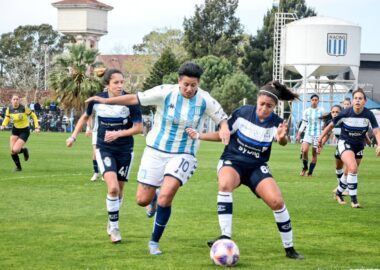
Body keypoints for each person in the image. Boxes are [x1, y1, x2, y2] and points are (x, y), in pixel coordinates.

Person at [85, 62, 230, 255]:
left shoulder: (205, 99)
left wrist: (225, 127)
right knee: (141, 200)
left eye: (193, 85)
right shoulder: (165, 92)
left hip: (183, 153)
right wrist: (103, 101)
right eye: (185, 84)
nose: (189, 89)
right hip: (155, 150)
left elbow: (222, 119)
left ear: (198, 84)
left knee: (167, 194)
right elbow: (134, 99)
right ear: (179, 81)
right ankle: (152, 198)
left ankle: (154, 241)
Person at [186, 81, 304, 260]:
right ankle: (225, 235)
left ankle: (289, 249)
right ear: (257, 100)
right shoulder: (242, 113)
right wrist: (199, 135)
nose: (264, 108)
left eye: (269, 106)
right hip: (233, 161)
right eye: (262, 104)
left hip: (256, 166)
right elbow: (223, 135)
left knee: (277, 202)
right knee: (225, 184)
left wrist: (282, 138)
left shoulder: (277, 123)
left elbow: (282, 140)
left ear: (275, 107)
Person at [66, 68, 143, 243]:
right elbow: (84, 118)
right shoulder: (97, 100)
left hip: (125, 150)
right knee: (113, 188)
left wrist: (118, 134)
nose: (120, 85)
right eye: (116, 82)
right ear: (107, 84)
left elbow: (139, 128)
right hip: (104, 148)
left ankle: (111, 219)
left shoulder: (130, 101)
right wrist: (73, 136)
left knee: (120, 191)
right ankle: (115, 229)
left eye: (122, 82)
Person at [318, 88, 380, 208]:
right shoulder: (345, 113)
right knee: (353, 168)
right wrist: (320, 138)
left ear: (365, 101)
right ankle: (354, 200)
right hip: (345, 143)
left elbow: (377, 131)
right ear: (352, 101)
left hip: (359, 145)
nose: (357, 101)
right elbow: (330, 125)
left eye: (360, 99)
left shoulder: (368, 114)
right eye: (355, 98)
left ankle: (338, 193)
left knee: (348, 172)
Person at [1, 94, 40, 171]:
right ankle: (18, 167)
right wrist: (3, 125)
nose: (15, 101)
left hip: (24, 131)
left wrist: (36, 127)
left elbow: (34, 115)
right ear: (11, 101)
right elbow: (7, 117)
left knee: (16, 150)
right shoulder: (9, 109)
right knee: (12, 151)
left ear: (19, 100)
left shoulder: (24, 108)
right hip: (15, 130)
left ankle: (24, 150)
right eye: (14, 99)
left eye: (17, 99)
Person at [296, 94, 324, 176]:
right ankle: (305, 167)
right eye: (313, 100)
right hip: (308, 133)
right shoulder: (306, 111)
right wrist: (298, 134)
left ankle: (310, 172)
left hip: (317, 134)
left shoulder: (321, 111)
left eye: (316, 100)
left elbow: (323, 123)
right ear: (310, 101)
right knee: (304, 151)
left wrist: (322, 136)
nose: (314, 101)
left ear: (318, 101)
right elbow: (304, 123)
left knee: (314, 154)